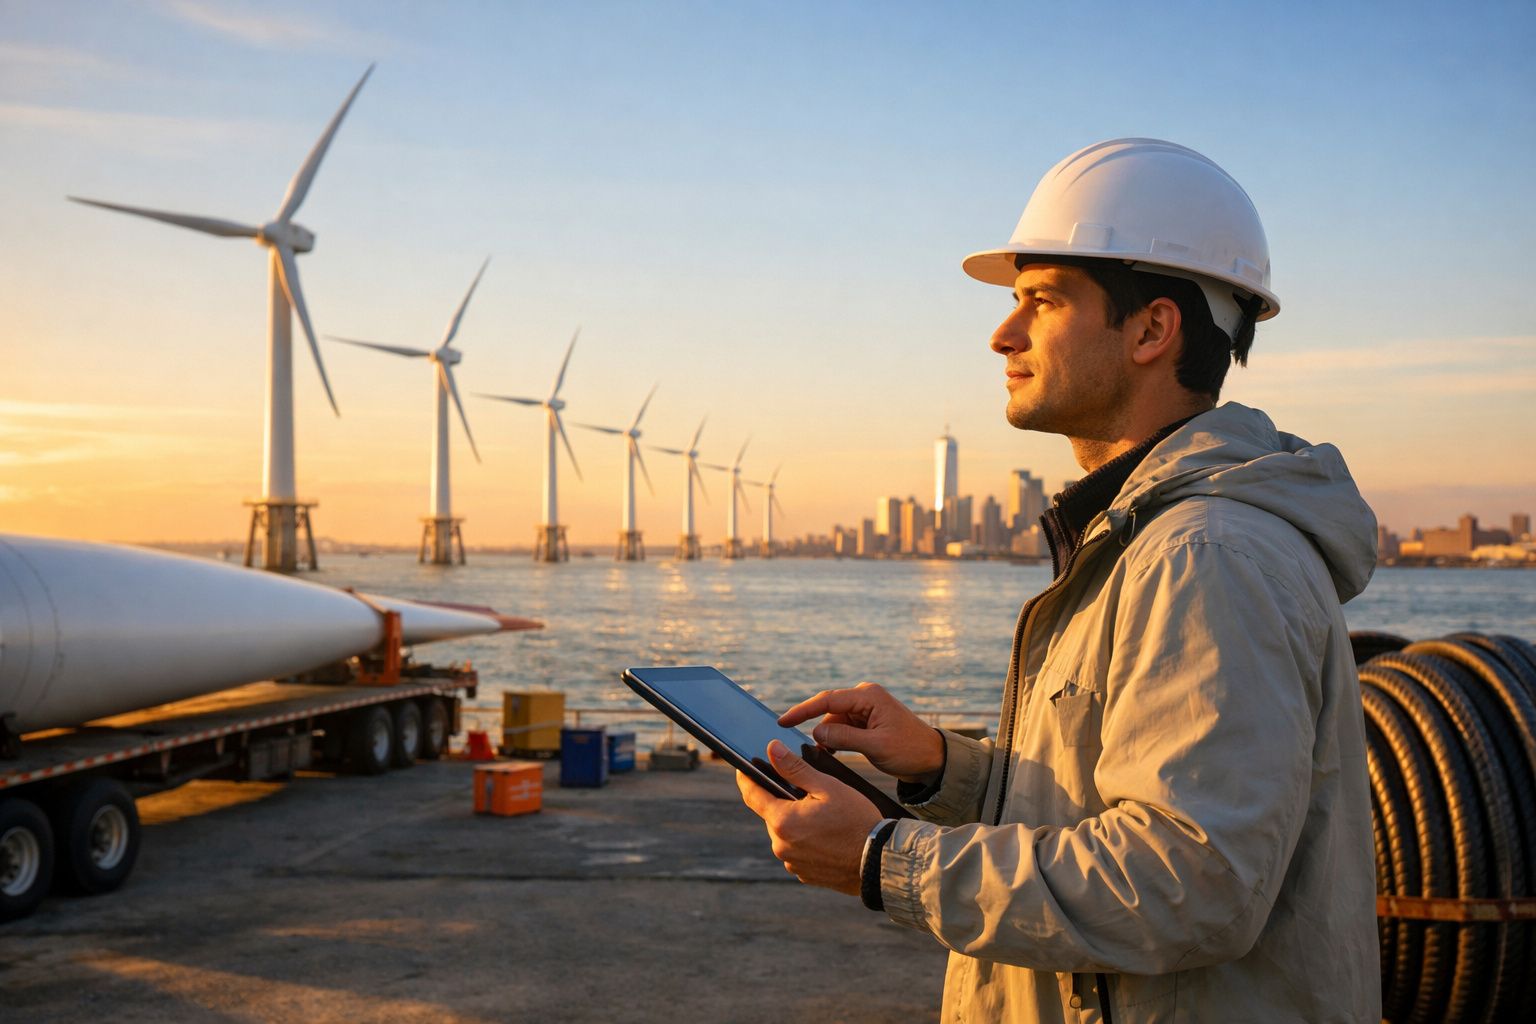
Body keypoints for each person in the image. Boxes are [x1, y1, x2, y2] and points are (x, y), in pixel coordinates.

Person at [736, 138, 1381, 1022]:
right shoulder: (1140, 542)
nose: (1003, 333)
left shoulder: (1206, 555)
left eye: (1042, 301)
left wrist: (884, 860)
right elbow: (1103, 808)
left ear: (1153, 329)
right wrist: (941, 768)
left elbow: (1190, 883)